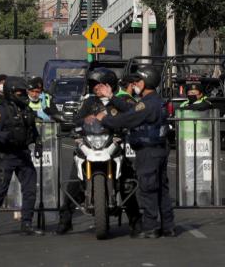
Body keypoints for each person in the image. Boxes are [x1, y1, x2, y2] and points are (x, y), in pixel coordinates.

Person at [55, 68, 140, 235]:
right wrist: (83, 120)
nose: (94, 87)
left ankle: (135, 220)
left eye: (98, 84)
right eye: (92, 84)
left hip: (113, 145)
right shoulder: (89, 102)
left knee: (127, 181)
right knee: (74, 181)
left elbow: (132, 113)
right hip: (91, 146)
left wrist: (109, 106)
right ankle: (65, 220)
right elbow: (77, 120)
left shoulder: (122, 99)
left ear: (108, 84)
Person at [95, 65, 176, 238]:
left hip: (148, 152)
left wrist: (104, 119)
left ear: (145, 82)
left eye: (137, 81)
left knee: (148, 190)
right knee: (161, 189)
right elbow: (131, 109)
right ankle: (168, 226)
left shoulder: (147, 105)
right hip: (159, 149)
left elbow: (126, 119)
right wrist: (112, 97)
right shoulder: (154, 101)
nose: (134, 84)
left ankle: (150, 228)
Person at [0, 76, 42, 237]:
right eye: (19, 92)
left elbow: (33, 130)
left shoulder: (26, 110)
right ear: (11, 92)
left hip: (23, 154)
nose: (23, 95)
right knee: (0, 190)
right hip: (6, 155)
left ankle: (26, 223)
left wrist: (38, 142)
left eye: (23, 92)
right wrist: (8, 136)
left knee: (30, 189)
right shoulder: (0, 110)